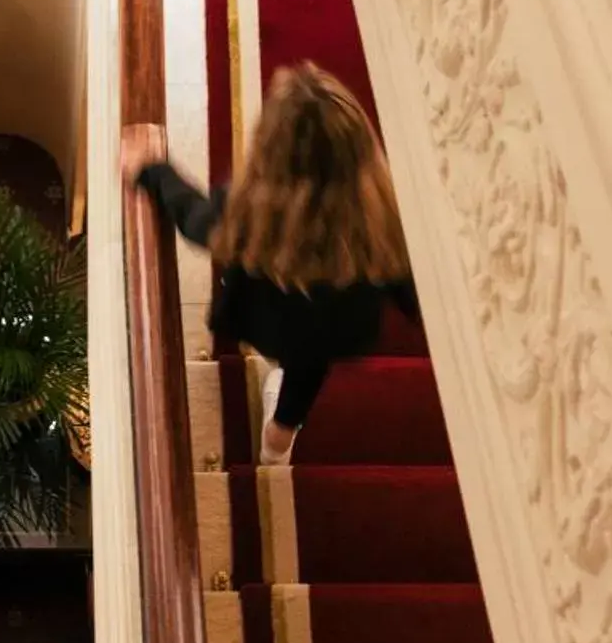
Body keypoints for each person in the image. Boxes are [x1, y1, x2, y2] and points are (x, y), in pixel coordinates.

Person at [120, 63, 418, 466]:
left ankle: (278, 434)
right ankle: (278, 442)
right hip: (336, 329)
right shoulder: (387, 221)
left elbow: (193, 217)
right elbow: (418, 297)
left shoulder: (248, 214)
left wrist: (153, 169)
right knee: (307, 370)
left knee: (294, 359)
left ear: (268, 150)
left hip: (271, 324)